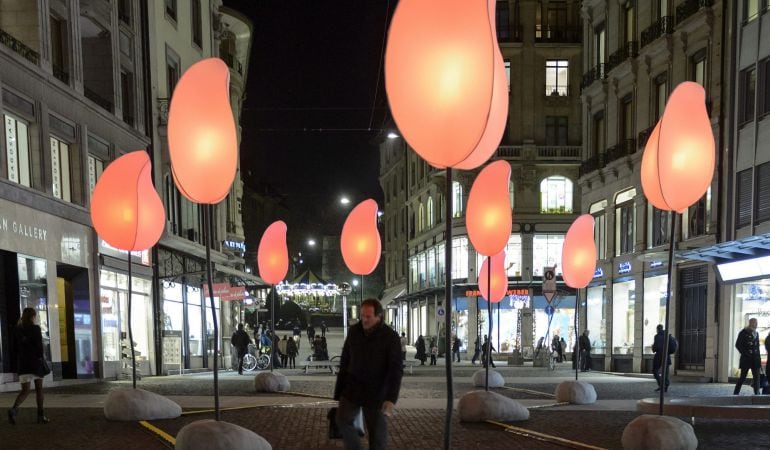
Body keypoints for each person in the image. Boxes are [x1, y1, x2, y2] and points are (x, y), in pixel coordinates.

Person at [334, 299, 403, 450]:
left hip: (377, 391)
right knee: (342, 419)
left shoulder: (390, 337)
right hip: (353, 388)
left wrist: (391, 398)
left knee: (378, 436)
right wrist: (339, 391)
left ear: (379, 316)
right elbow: (345, 360)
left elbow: (396, 369)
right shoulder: (354, 332)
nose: (364, 320)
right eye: (362, 316)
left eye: (368, 317)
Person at [8, 307, 49, 425]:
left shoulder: (17, 330)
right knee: (39, 390)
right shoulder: (36, 329)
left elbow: (13, 349)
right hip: (35, 363)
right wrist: (40, 357)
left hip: (23, 364)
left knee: (25, 390)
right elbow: (39, 348)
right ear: (33, 316)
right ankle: (40, 416)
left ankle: (14, 409)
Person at [734, 318, 761, 395]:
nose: (757, 324)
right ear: (751, 323)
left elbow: (757, 347)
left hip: (755, 360)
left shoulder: (756, 333)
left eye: (757, 322)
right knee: (742, 378)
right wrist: (746, 353)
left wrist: (759, 359)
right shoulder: (743, 332)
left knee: (757, 379)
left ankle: (757, 394)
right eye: (755, 323)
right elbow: (738, 345)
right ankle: (735, 393)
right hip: (746, 359)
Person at [652, 324, 677, 392]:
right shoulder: (667, 335)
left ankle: (661, 385)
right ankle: (665, 385)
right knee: (665, 372)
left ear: (657, 329)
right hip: (666, 356)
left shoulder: (657, 336)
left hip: (659, 356)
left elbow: (655, 347)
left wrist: (653, 348)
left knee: (655, 371)